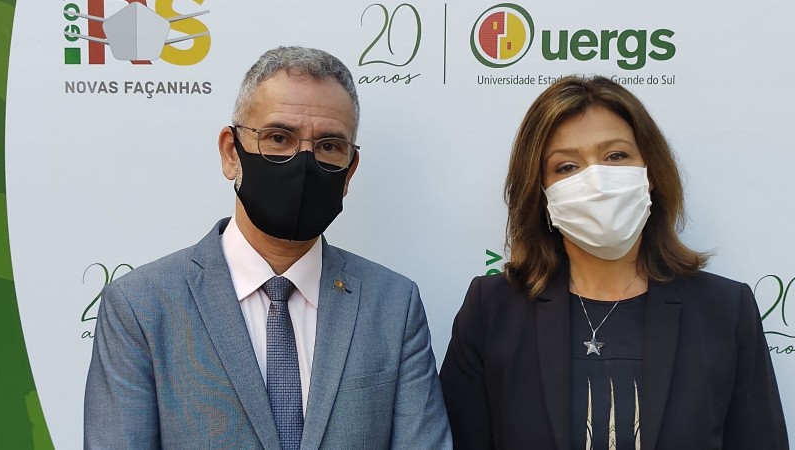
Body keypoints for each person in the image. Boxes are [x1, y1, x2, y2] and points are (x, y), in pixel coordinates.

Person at [84, 46, 451, 449]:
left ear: (349, 172)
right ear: (231, 152)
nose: (304, 162)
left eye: (329, 145)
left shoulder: (394, 304)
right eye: (278, 138)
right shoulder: (141, 305)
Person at [439, 76, 788, 449]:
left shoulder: (724, 310)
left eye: (616, 156)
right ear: (541, 194)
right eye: (566, 167)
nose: (598, 182)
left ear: (650, 173)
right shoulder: (493, 310)